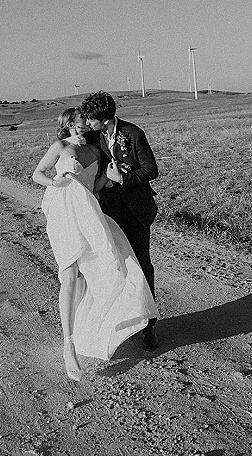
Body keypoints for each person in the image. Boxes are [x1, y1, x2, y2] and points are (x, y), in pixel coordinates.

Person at [32, 107, 157, 381]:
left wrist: (111, 178)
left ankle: (105, 327)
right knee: (70, 275)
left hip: (90, 213)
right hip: (64, 212)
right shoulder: (59, 146)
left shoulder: (96, 151)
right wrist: (54, 181)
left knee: (107, 268)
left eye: (86, 123)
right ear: (69, 124)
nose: (84, 126)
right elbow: (37, 174)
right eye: (79, 123)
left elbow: (97, 185)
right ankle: (69, 345)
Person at [78, 91, 159, 350]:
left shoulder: (133, 133)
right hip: (108, 212)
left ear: (105, 118)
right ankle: (124, 322)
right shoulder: (92, 136)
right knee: (116, 265)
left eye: (91, 119)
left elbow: (151, 170)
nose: (88, 123)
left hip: (136, 211)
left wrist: (123, 178)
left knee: (142, 265)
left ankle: (150, 328)